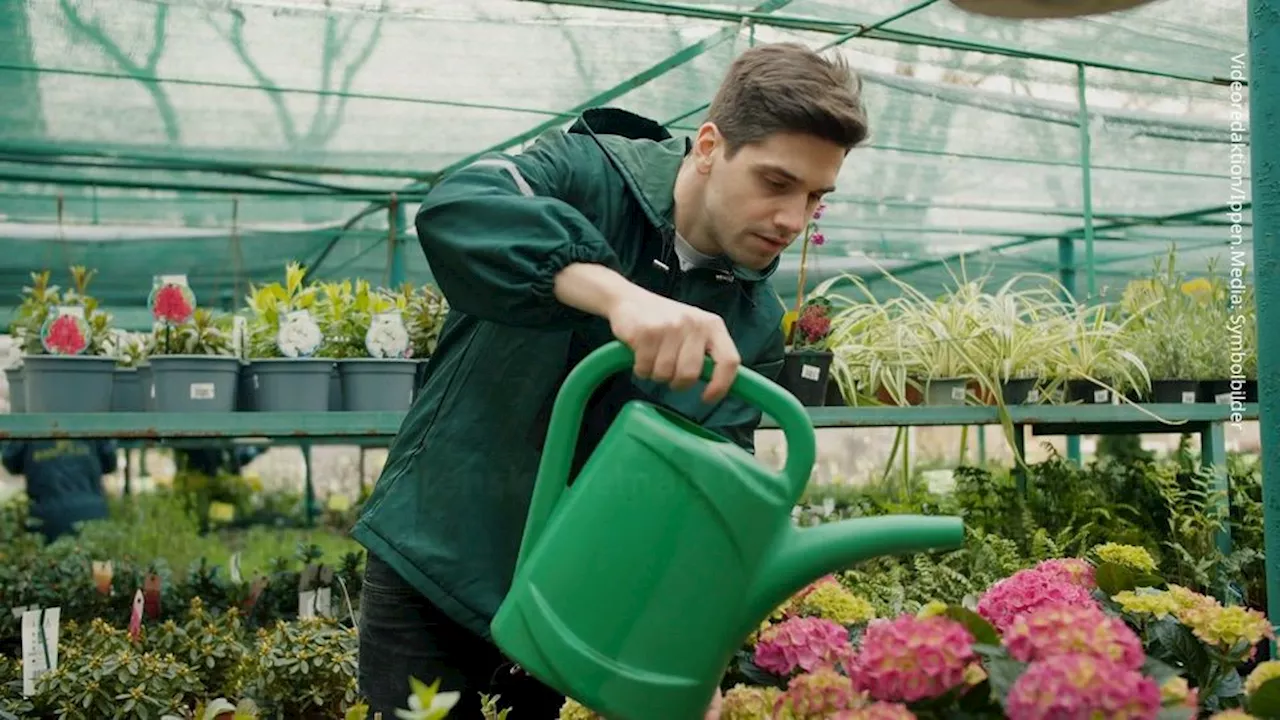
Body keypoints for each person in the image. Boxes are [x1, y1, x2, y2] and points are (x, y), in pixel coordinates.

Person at [351, 41, 869, 717]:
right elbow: (458, 207)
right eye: (776, 183)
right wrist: (617, 296)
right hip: (438, 561)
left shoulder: (752, 320)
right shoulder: (587, 172)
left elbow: (701, 495)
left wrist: (688, 651)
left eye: (815, 198)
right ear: (709, 146)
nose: (793, 221)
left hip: (575, 613)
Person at [2, 438, 118, 542]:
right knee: (97, 561)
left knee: (46, 562)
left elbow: (11, 462)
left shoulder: (28, 417)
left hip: (45, 516)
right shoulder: (93, 416)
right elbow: (110, 462)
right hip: (92, 513)